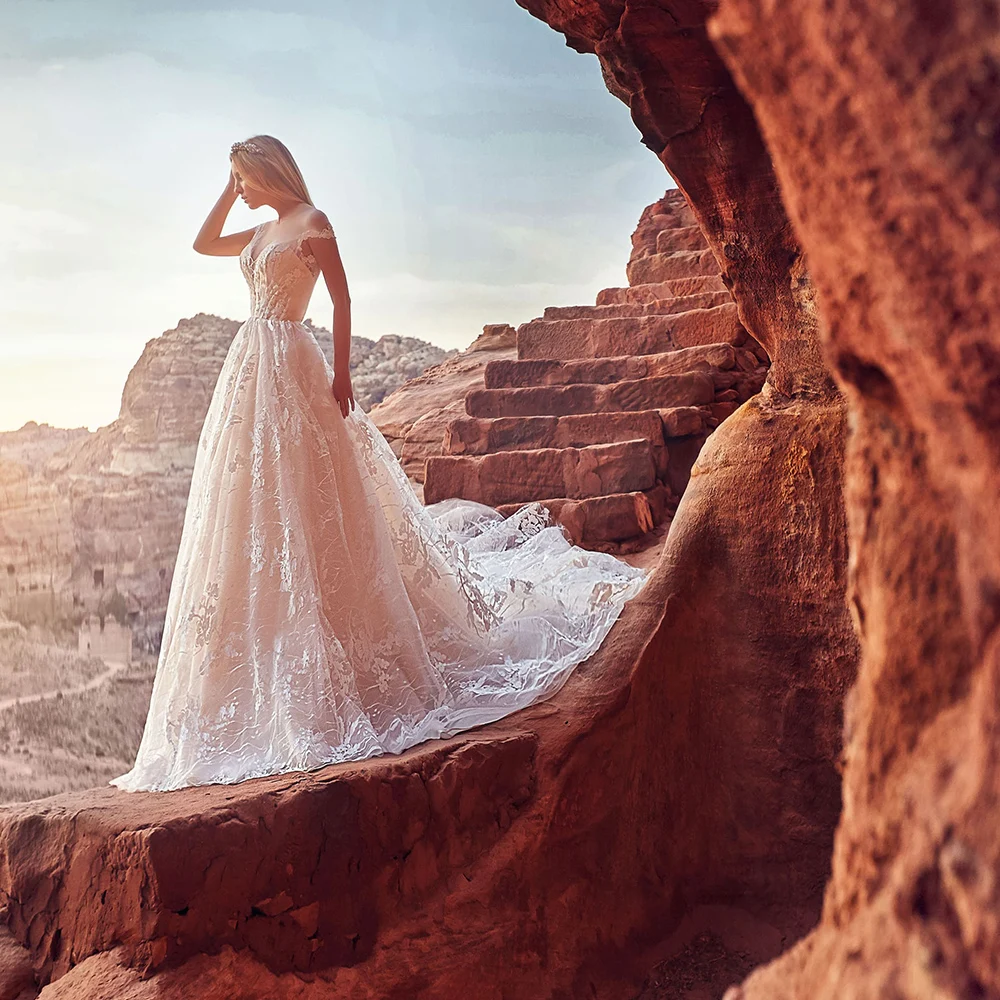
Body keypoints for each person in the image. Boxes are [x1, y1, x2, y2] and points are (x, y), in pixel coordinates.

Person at [109, 134, 649, 793]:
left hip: (295, 367)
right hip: (249, 373)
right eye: (233, 181)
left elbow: (340, 300)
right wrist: (227, 189)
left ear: (265, 171)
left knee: (316, 493)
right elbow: (202, 243)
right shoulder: (255, 229)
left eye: (242, 178)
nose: (240, 190)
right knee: (254, 506)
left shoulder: (313, 223)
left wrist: (341, 375)